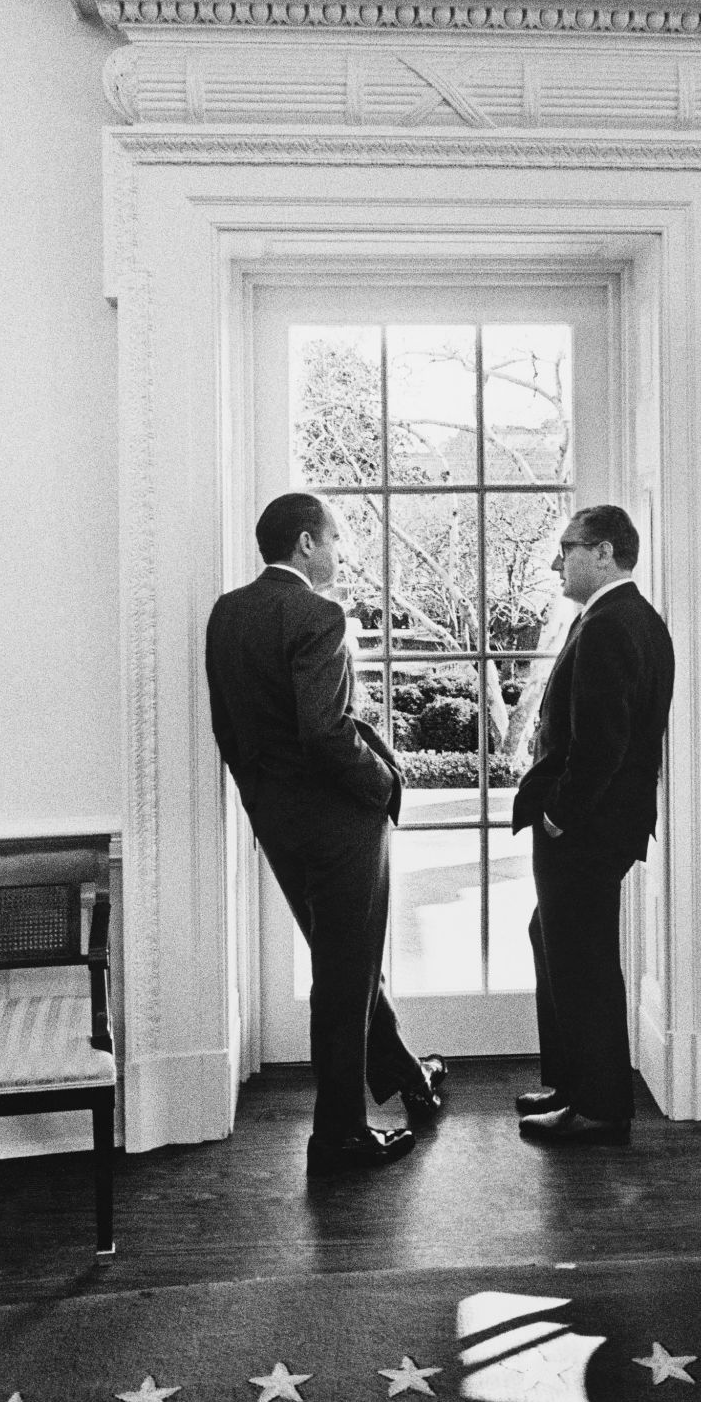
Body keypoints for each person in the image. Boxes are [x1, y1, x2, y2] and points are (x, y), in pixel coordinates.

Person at [205, 492, 447, 1176]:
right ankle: (338, 1136)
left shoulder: (227, 613)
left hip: (277, 821)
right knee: (344, 979)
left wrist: (263, 801)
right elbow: (326, 732)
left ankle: (408, 1077)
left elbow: (230, 730)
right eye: (337, 539)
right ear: (307, 544)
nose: (342, 553)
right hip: (339, 823)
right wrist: (384, 786)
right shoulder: (318, 612)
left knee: (348, 963)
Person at [511, 504, 674, 1145]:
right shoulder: (622, 617)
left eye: (566, 548)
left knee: (583, 960)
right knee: (552, 938)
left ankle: (601, 1107)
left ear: (603, 552)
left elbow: (602, 744)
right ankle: (572, 1083)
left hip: (585, 829)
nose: (556, 561)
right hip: (599, 826)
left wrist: (558, 816)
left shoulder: (611, 623)